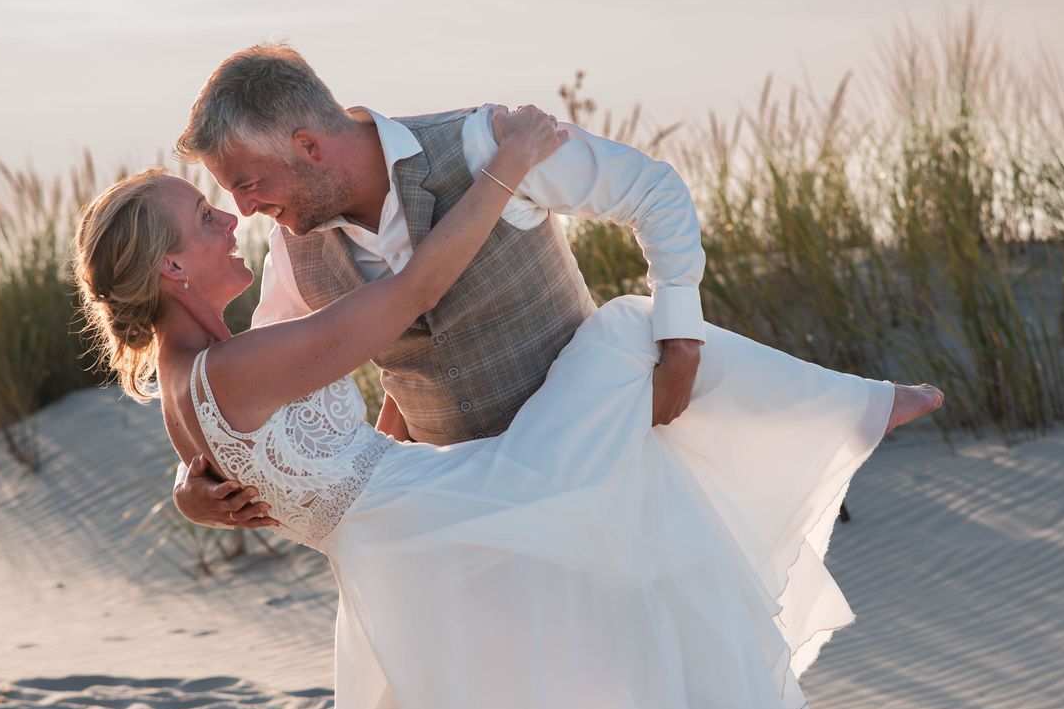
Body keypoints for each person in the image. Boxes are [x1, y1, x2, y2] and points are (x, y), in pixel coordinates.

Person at [72, 103, 985, 709]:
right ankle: (846, 410)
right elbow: (411, 294)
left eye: (229, 197)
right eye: (203, 218)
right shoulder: (241, 360)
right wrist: (507, 167)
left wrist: (191, 492)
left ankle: (840, 417)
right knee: (628, 335)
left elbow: (287, 447)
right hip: (438, 522)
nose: (231, 218)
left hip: (404, 545)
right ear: (171, 271)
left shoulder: (196, 376)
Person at [169, 43, 709, 532]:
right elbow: (251, 390)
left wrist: (681, 337)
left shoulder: (485, 145)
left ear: (308, 146)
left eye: (248, 183)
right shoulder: (293, 251)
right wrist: (191, 482)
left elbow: (652, 191)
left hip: (604, 467)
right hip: (465, 523)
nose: (242, 210)